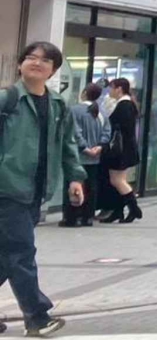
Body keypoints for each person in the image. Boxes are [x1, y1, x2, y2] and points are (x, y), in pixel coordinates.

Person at [0, 41, 84, 336]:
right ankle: (37, 317)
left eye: (45, 60)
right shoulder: (7, 100)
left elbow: (68, 145)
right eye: (31, 57)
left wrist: (75, 178)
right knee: (21, 252)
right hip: (6, 189)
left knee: (6, 257)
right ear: (20, 64)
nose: (37, 62)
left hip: (36, 191)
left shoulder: (59, 105)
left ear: (53, 70)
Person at [62, 84, 109, 228]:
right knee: (91, 186)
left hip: (78, 155)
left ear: (84, 93)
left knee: (74, 184)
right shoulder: (102, 112)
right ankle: (88, 217)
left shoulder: (75, 110)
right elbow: (107, 132)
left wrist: (85, 148)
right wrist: (99, 146)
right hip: (95, 157)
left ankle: (73, 217)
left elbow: (75, 132)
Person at [100, 78, 142, 224]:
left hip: (120, 149)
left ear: (119, 89)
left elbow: (120, 128)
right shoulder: (127, 104)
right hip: (124, 148)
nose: (109, 91)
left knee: (117, 180)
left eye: (112, 88)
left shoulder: (124, 105)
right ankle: (118, 211)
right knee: (118, 180)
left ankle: (134, 208)